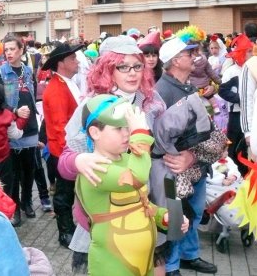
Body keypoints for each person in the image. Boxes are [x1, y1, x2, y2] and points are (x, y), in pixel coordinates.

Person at [57, 35, 166, 274]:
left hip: (146, 209)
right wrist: (78, 160)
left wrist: (184, 158)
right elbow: (64, 161)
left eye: (137, 65)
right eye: (123, 66)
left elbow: (167, 147)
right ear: (107, 69)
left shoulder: (151, 100)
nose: (132, 73)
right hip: (104, 214)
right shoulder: (93, 105)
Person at [76, 94, 188, 276]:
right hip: (113, 264)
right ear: (95, 132)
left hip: (143, 263)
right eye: (119, 128)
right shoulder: (95, 167)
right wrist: (140, 134)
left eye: (127, 127)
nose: (127, 133)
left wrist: (164, 216)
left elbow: (140, 203)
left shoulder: (129, 159)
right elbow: (136, 178)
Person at [155, 36, 218, 276]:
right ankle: (171, 265)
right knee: (177, 214)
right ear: (175, 61)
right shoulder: (162, 92)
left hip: (196, 165)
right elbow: (161, 140)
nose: (194, 57)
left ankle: (189, 256)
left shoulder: (188, 85)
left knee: (194, 213)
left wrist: (195, 157)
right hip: (175, 169)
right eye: (189, 54)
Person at [0, 35, 39, 227]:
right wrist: (14, 111)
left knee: (29, 171)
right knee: (13, 173)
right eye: (7, 49)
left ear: (21, 50)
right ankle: (15, 208)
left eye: (12, 49)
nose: (9, 53)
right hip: (10, 128)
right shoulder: (0, 73)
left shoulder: (28, 71)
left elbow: (34, 94)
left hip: (30, 127)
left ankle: (27, 202)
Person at [41, 42, 82, 248]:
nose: (77, 61)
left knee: (68, 192)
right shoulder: (56, 89)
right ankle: (65, 233)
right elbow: (60, 127)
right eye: (73, 58)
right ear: (61, 63)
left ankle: (71, 230)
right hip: (63, 151)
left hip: (69, 149)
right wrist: (72, 153)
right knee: (64, 194)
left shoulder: (66, 83)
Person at [217, 34, 253, 175]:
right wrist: (240, 98)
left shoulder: (252, 68)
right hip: (236, 114)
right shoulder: (231, 71)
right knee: (234, 144)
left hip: (250, 113)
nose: (251, 54)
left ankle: (247, 172)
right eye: (248, 51)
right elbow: (223, 91)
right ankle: (234, 173)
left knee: (247, 145)